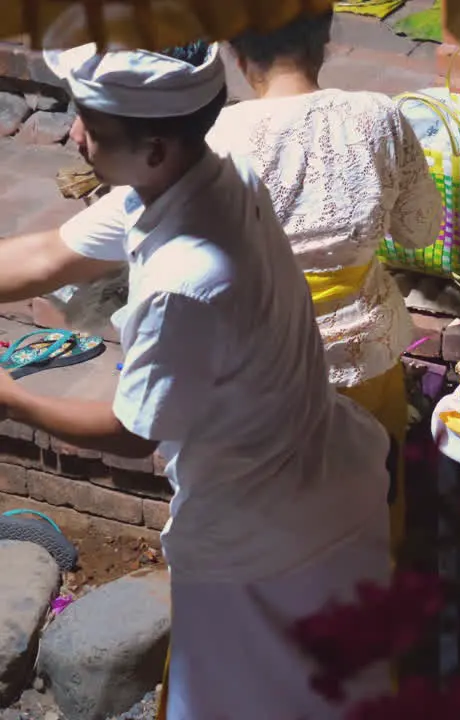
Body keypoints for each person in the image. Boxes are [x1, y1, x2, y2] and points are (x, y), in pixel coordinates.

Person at [0, 41, 393, 718]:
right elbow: (51, 253)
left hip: (269, 538)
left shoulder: (187, 280)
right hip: (319, 485)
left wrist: (6, 397)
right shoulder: (205, 170)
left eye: (91, 125)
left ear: (153, 147)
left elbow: (129, 431)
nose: (73, 134)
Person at [209, 10, 443, 554]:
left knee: (278, 525)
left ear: (236, 54)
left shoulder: (219, 137)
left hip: (262, 370)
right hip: (366, 353)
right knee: (369, 504)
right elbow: (419, 230)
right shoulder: (377, 116)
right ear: (326, 39)